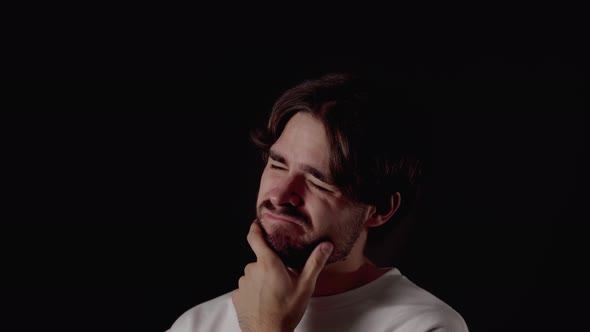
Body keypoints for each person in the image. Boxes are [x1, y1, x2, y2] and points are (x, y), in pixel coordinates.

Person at [167, 73, 468, 332]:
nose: (279, 196)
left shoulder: (425, 325)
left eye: (318, 182)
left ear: (380, 210)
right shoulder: (197, 324)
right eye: (277, 164)